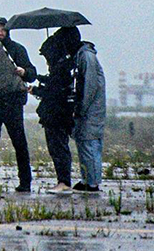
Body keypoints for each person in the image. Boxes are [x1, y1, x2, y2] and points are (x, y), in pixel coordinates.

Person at [0, 17, 37, 193]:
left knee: (19, 143)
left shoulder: (18, 50)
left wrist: (23, 71)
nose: (0, 32)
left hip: (13, 102)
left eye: (3, 29)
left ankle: (25, 182)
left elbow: (32, 74)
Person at [32, 28, 78, 195]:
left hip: (56, 115)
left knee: (58, 148)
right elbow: (53, 84)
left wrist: (36, 90)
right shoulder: (65, 66)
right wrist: (41, 80)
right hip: (60, 114)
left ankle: (64, 182)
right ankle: (63, 181)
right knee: (58, 148)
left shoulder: (61, 69)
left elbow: (53, 91)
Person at [70, 27, 106, 192]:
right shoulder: (82, 56)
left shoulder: (86, 57)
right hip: (89, 109)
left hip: (91, 111)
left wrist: (81, 108)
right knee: (84, 143)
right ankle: (88, 179)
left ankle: (92, 183)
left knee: (90, 143)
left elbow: (90, 86)